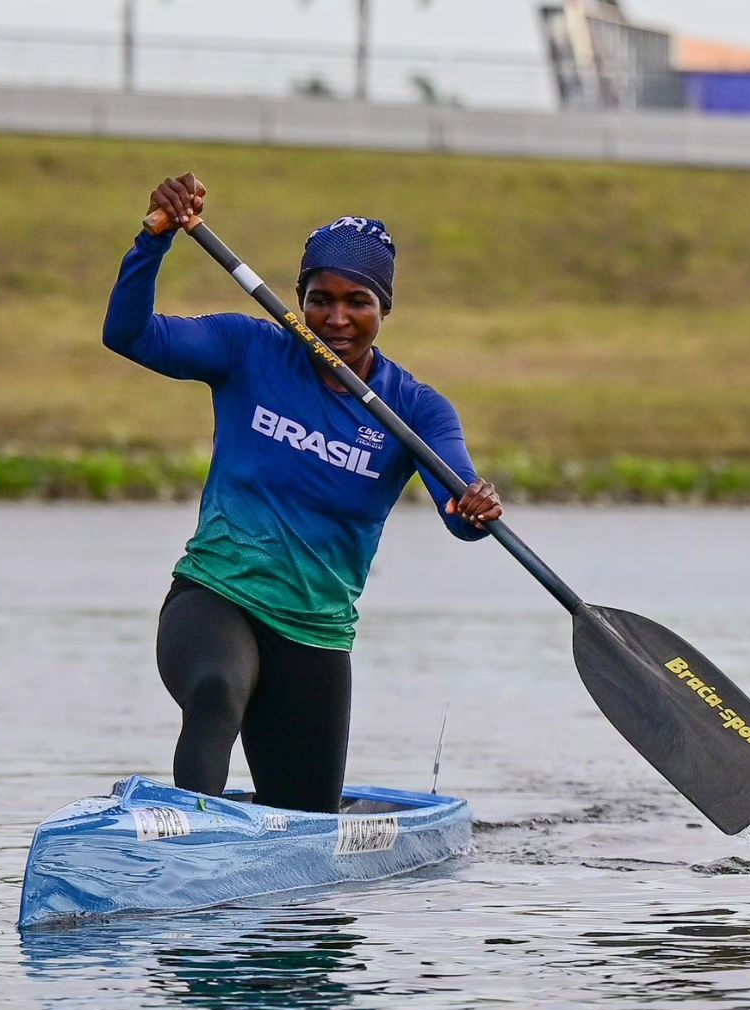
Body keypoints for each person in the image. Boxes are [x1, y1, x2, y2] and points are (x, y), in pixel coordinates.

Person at [103, 172, 503, 813]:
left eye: (358, 302)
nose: (337, 319)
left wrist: (476, 507)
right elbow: (131, 336)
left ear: (384, 310)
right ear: (297, 299)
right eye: (320, 299)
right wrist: (152, 241)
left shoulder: (417, 411)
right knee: (215, 689)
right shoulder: (247, 349)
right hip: (216, 596)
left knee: (305, 814)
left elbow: (459, 513)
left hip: (314, 637)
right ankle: (186, 837)